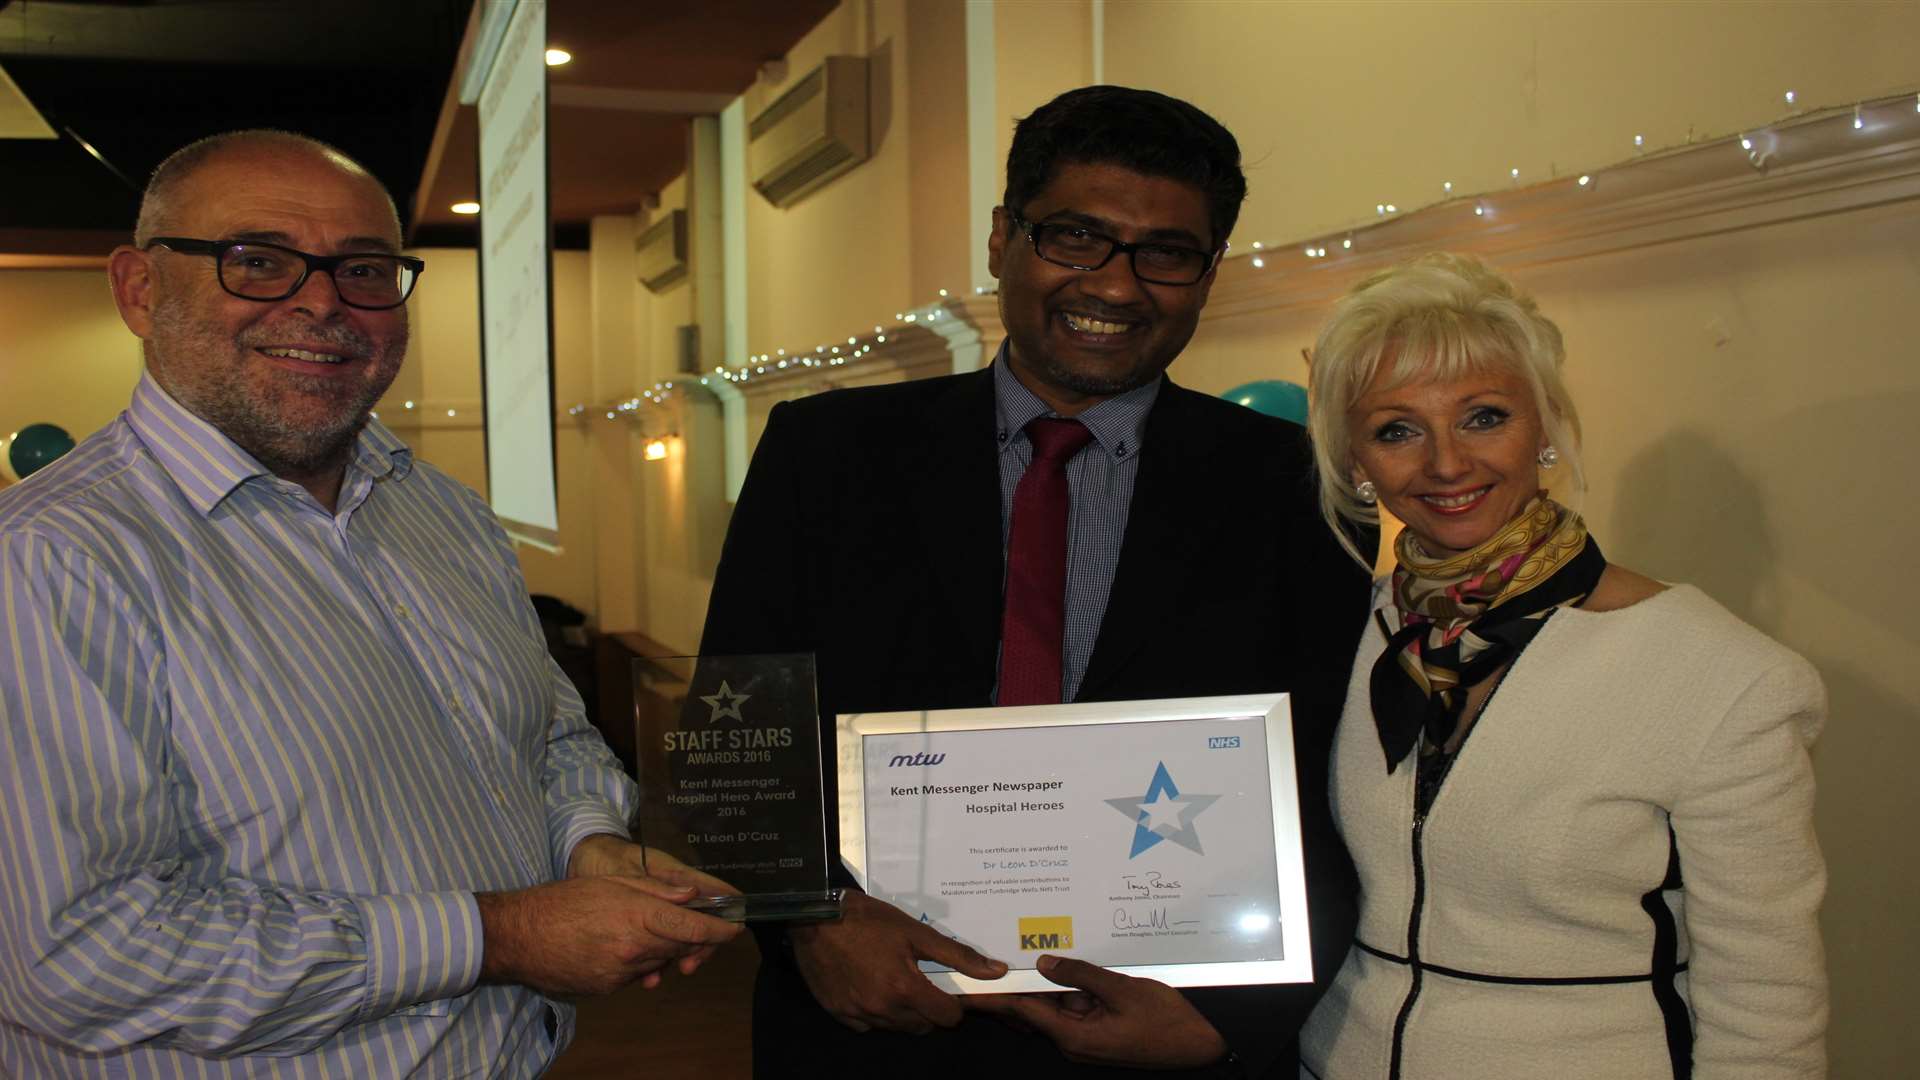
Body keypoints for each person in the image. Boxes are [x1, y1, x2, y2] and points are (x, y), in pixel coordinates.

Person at [0, 130, 741, 1076]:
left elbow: (550, 735)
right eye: (257, 262)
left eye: (364, 268)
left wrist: (586, 840)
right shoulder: (50, 559)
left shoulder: (443, 512)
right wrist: (500, 936)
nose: (322, 302)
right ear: (140, 290)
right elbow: (80, 953)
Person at [699, 86, 1374, 1077]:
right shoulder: (829, 457)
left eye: (1166, 252)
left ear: (1207, 271)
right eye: (1076, 237)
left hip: (1170, 1035)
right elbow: (732, 742)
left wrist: (1245, 1024)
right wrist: (812, 922)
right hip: (872, 1027)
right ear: (1000, 239)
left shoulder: (1303, 487)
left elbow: (1345, 784)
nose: (1116, 284)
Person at [1284, 252, 1825, 1077]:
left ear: (1544, 426)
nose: (1446, 464)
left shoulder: (1722, 676)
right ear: (1355, 460)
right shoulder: (1341, 631)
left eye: (1484, 416)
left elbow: (1767, 1001)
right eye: (1397, 429)